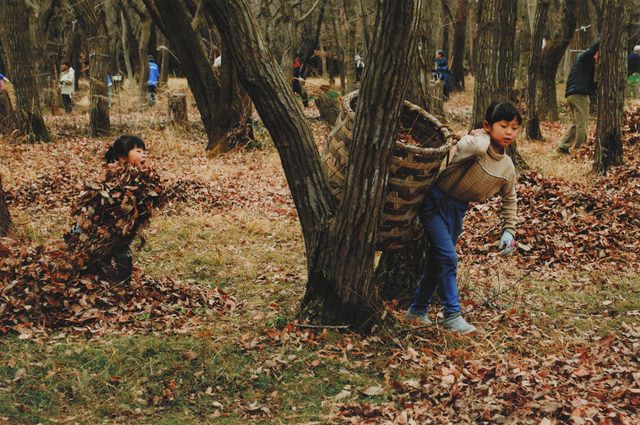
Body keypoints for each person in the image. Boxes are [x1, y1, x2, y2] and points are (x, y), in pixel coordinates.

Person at [406, 101, 521, 334]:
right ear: (488, 126)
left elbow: (510, 198)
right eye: (503, 125)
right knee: (448, 258)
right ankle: (452, 314)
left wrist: (509, 229)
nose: (509, 132)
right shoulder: (475, 146)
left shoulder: (507, 166)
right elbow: (466, 146)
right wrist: (482, 137)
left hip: (457, 211)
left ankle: (417, 310)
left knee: (438, 260)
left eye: (515, 127)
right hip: (436, 202)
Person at [65, 135, 147, 283]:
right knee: (92, 257)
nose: (143, 155)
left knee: (121, 251)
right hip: (97, 229)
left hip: (118, 230)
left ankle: (121, 285)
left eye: (144, 152)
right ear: (122, 157)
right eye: (138, 151)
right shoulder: (113, 177)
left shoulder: (139, 177)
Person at [557, 39, 600, 154]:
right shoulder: (584, 57)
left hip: (572, 94)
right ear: (595, 52)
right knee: (582, 125)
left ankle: (563, 146)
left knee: (575, 123)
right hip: (579, 95)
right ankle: (580, 150)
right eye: (598, 54)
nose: (598, 58)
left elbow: (590, 85)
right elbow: (592, 48)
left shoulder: (584, 64)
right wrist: (603, 38)